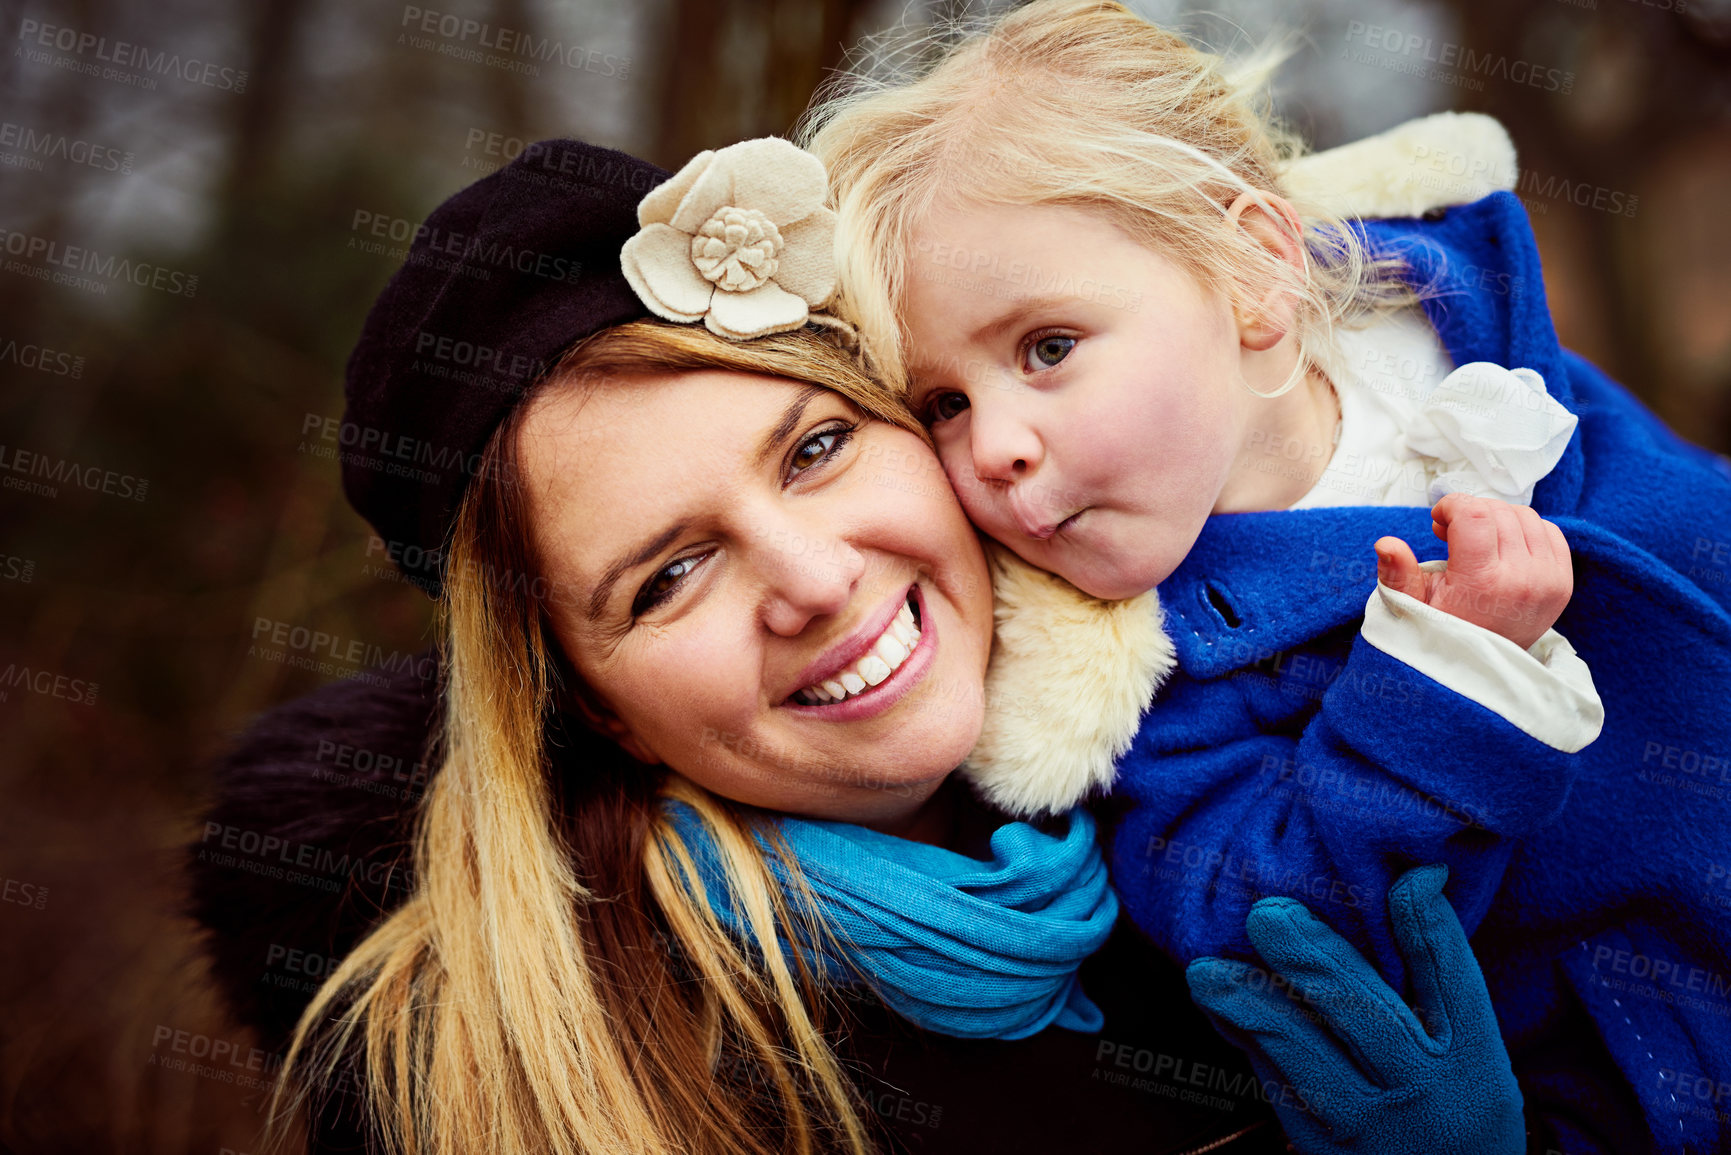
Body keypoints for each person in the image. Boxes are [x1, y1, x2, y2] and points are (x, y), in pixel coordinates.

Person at [188, 135, 1532, 1155]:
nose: (815, 579)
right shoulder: (590, 1084)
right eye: (668, 573)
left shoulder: (1251, 717)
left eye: (816, 447)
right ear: (588, 700)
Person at [804, 3, 1731, 1153]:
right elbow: (1262, 935)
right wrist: (1447, 687)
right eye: (942, 403)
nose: (990, 446)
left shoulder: (1479, 351)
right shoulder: (1127, 681)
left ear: (1252, 272)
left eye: (1047, 348)